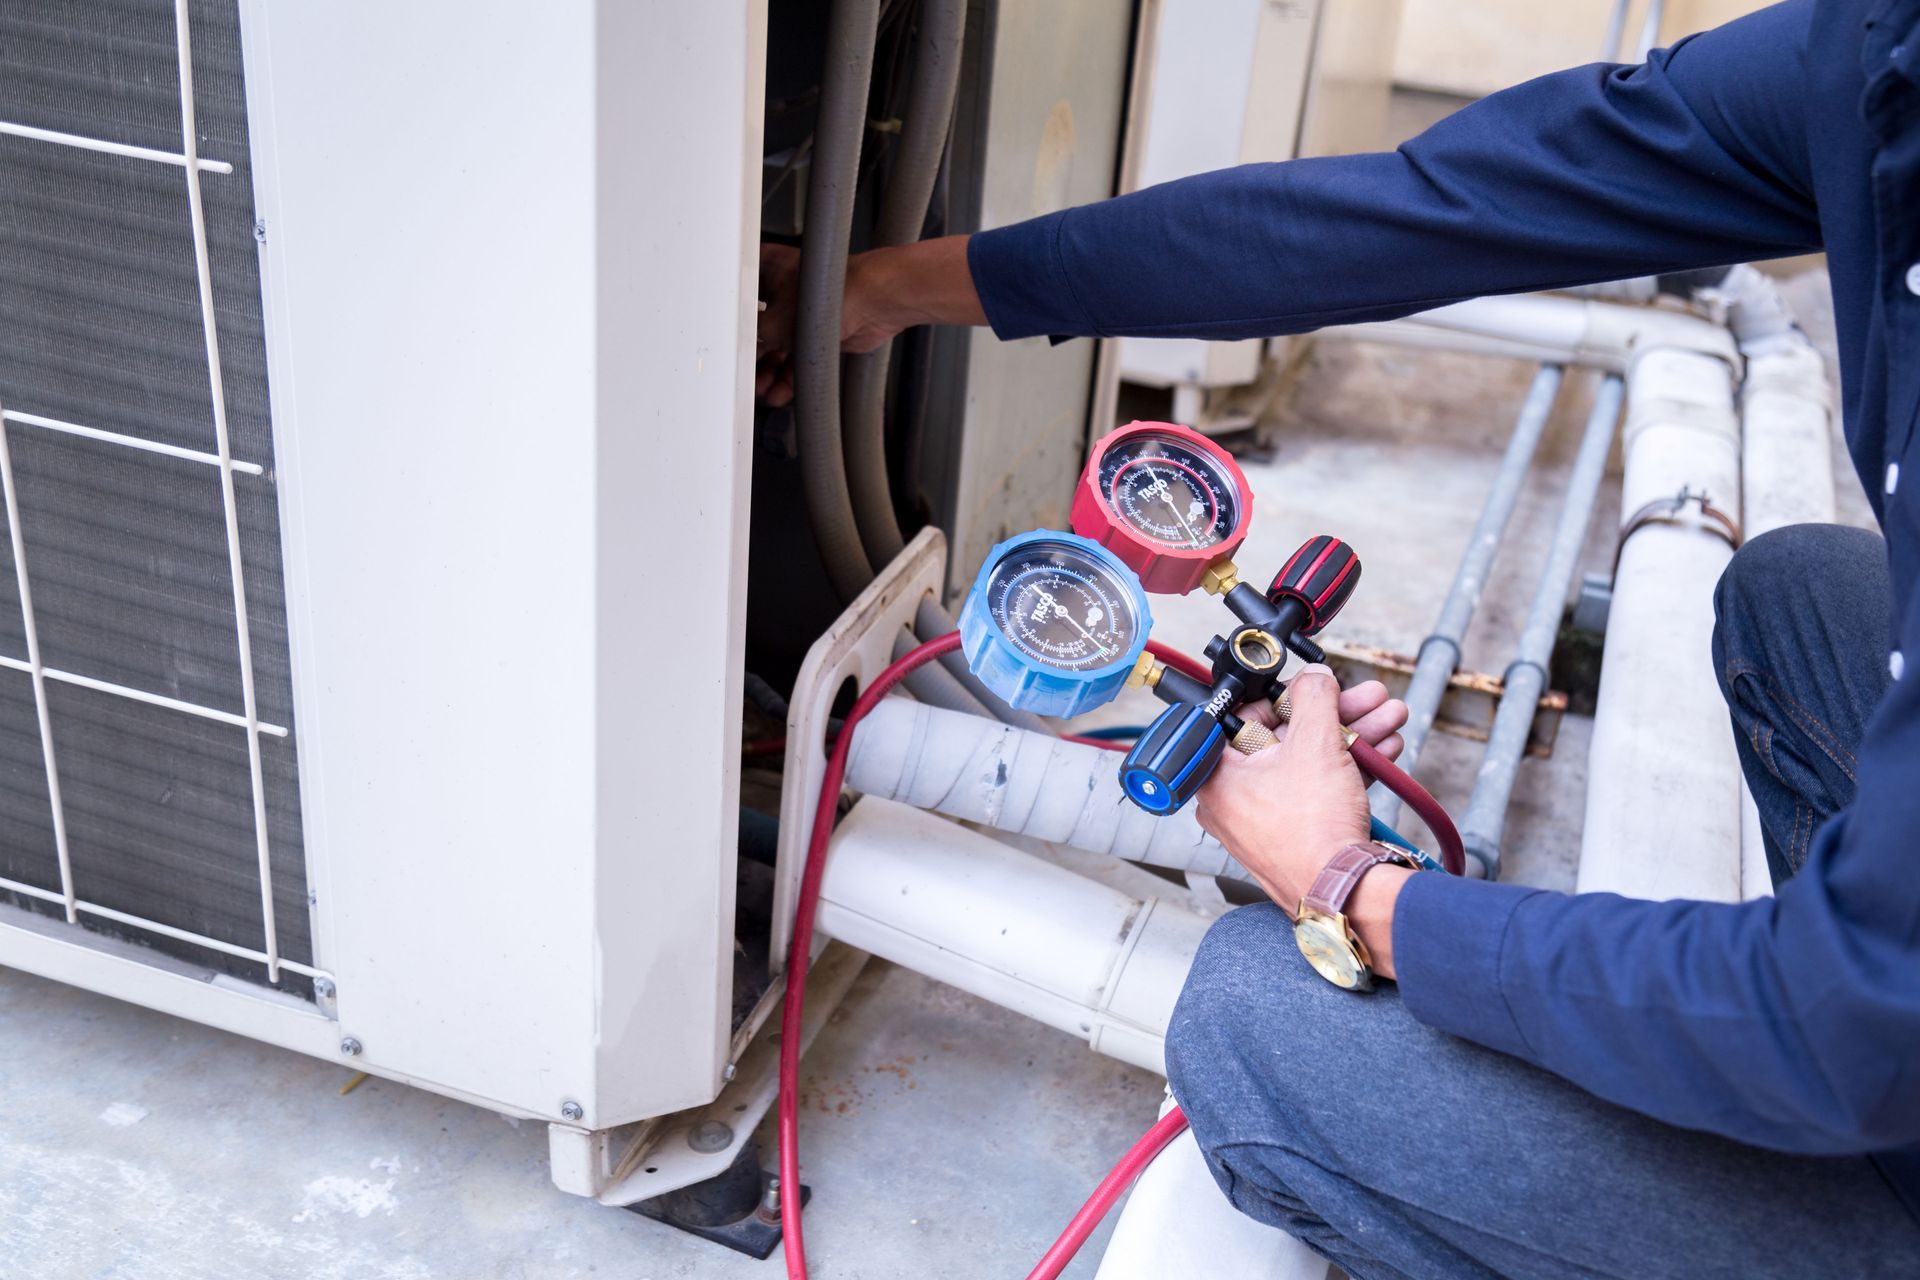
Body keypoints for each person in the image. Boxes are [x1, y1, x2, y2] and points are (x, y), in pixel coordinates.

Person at [758, 0, 1920, 1273]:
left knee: (1257, 1019)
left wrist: (1351, 889)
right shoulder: (1879, 52)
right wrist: (885, 288)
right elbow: (1405, 209)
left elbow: (1839, 1017)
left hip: (1864, 1029)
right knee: (1805, 593)